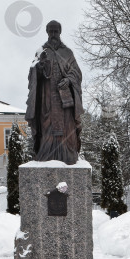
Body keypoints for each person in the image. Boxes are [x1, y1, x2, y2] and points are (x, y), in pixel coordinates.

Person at [25, 20, 83, 164]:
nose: (53, 34)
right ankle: (45, 155)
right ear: (47, 32)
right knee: (46, 127)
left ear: (60, 32)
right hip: (46, 99)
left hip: (65, 100)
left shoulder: (67, 52)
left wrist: (68, 80)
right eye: (50, 31)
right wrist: (39, 67)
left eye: (55, 31)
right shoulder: (42, 52)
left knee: (67, 127)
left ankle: (68, 156)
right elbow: (32, 74)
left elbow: (76, 72)